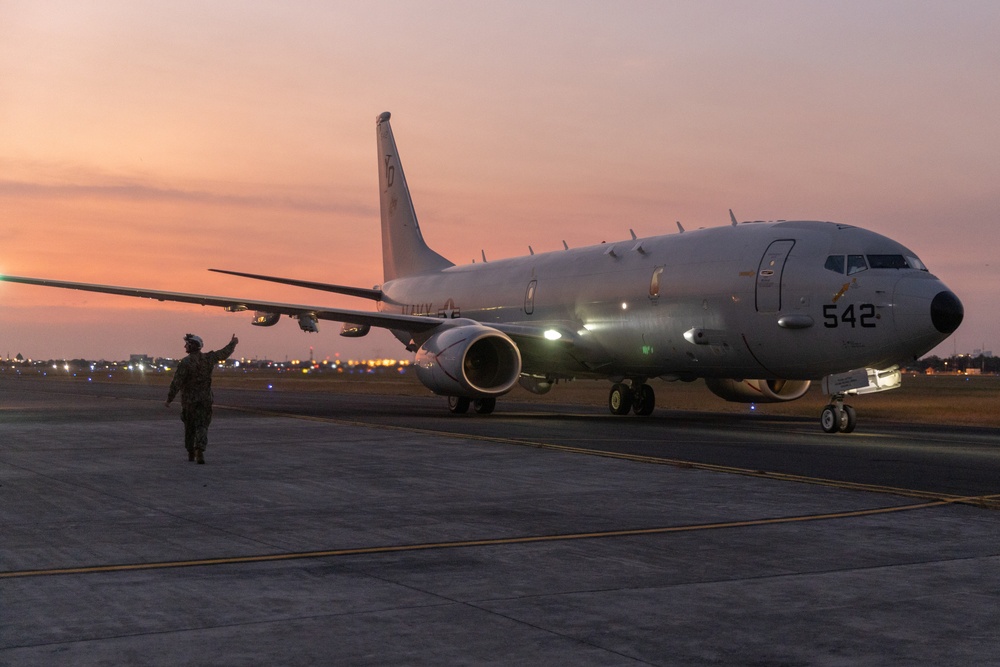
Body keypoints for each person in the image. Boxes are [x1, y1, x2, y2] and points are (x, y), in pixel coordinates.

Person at [165, 333, 238, 464]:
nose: (185, 346)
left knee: (189, 427)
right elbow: (223, 353)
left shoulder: (185, 362)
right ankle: (200, 450)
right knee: (202, 426)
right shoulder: (208, 359)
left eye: (187, 344)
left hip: (189, 401)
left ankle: (190, 452)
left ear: (192, 345)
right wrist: (233, 343)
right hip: (205, 399)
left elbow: (177, 382)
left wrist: (169, 398)